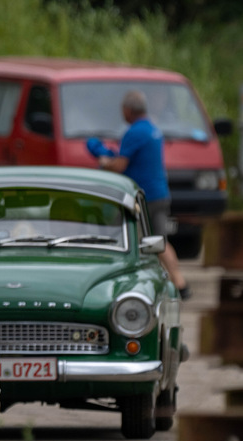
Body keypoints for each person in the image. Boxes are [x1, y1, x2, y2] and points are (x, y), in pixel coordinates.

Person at [89, 90, 190, 299]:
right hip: (161, 193)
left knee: (126, 240)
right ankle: (180, 284)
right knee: (160, 242)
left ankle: (131, 284)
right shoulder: (153, 129)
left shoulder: (134, 132)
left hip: (143, 198)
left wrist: (104, 161)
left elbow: (119, 166)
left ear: (128, 110)